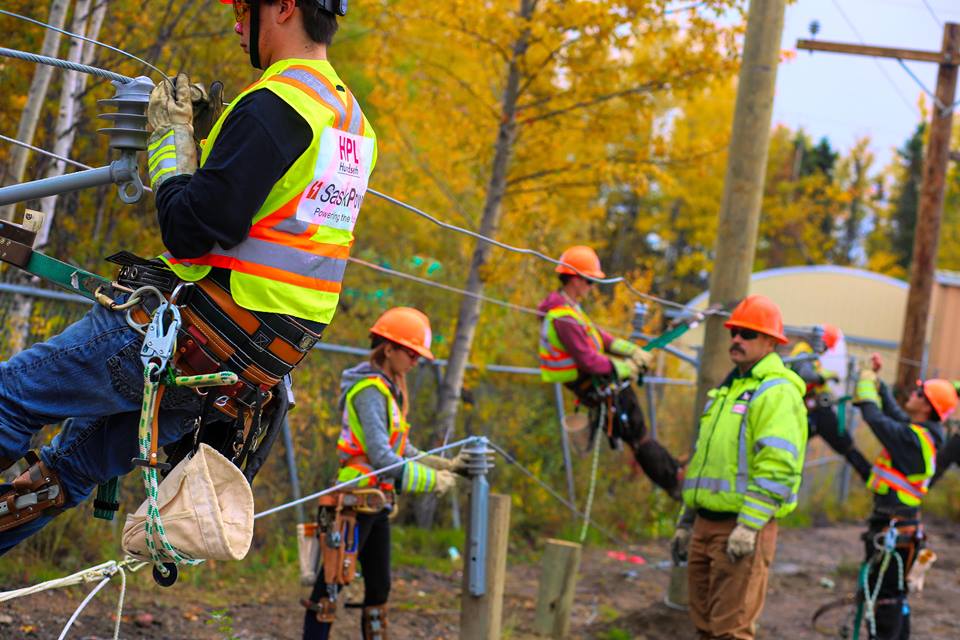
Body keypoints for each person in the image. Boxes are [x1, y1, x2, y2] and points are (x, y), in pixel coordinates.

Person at [0, 0, 376, 551]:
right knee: (69, 471)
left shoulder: (277, 104)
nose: (236, 21)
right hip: (232, 375)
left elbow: (191, 227)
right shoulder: (352, 124)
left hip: (183, 335)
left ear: (286, 7)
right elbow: (264, 215)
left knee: (11, 398)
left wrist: (170, 148)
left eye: (244, 8)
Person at [301, 307, 461, 640]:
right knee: (331, 584)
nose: (416, 362)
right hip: (355, 500)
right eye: (412, 353)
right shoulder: (369, 390)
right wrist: (434, 481)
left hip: (378, 502)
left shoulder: (390, 390)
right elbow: (381, 455)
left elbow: (402, 448)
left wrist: (443, 465)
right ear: (389, 349)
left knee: (379, 586)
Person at [671, 295, 807, 640]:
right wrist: (688, 521)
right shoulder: (728, 390)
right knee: (705, 626)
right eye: (734, 332)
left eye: (747, 334)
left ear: (771, 342)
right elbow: (705, 462)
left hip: (741, 527)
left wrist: (748, 526)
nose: (736, 339)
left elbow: (778, 466)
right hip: (706, 524)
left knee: (731, 631)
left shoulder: (775, 391)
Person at [538, 245, 682, 497]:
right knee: (638, 437)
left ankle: (672, 470)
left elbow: (601, 339)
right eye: (589, 280)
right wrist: (626, 367)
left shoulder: (571, 309)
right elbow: (589, 360)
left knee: (639, 433)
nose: (592, 287)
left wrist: (632, 351)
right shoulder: (564, 317)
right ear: (574, 279)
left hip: (598, 383)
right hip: (592, 386)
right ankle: (674, 481)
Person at [850, 354, 956, 640]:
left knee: (884, 600)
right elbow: (895, 414)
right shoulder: (921, 433)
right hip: (898, 528)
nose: (913, 392)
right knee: (893, 596)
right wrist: (880, 383)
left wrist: (865, 384)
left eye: (920, 393)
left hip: (894, 532)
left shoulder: (912, 440)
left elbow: (875, 418)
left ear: (928, 407)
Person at [790, 324, 871, 480]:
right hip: (810, 410)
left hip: (816, 410)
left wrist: (826, 378)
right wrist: (822, 377)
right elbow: (805, 373)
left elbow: (815, 373)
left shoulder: (812, 356)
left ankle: (869, 475)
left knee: (845, 444)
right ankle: (870, 476)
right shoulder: (803, 350)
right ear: (821, 341)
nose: (826, 351)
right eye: (826, 347)